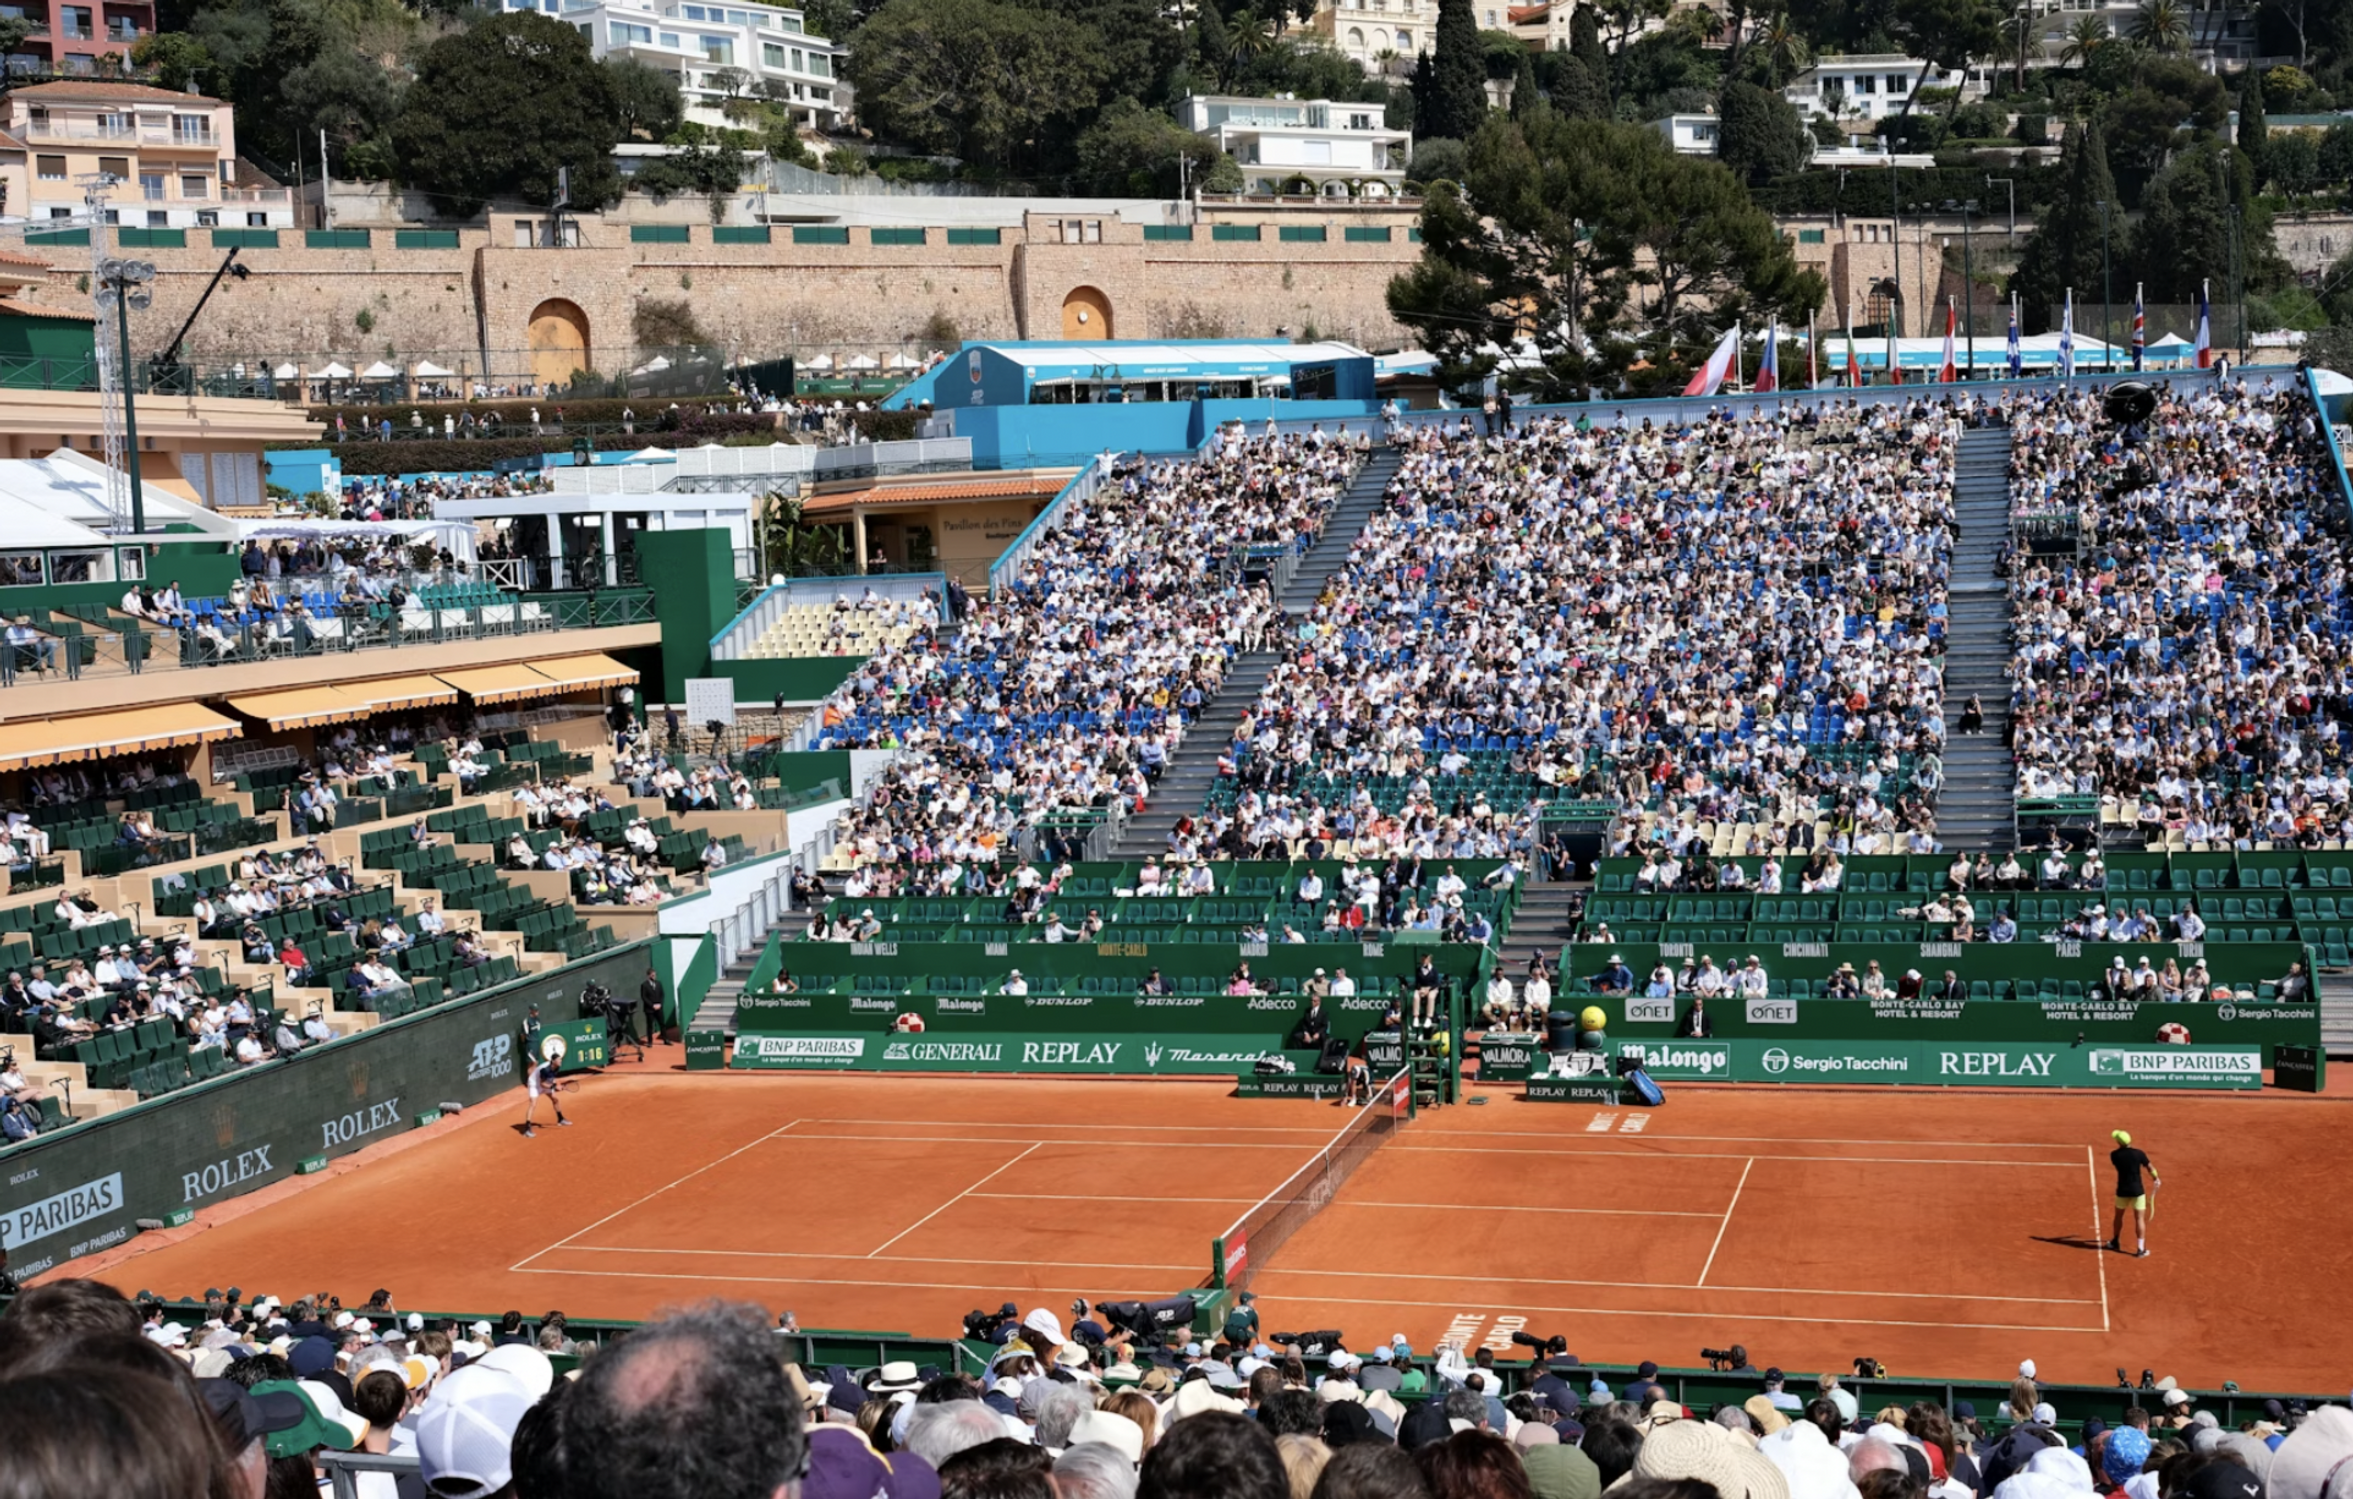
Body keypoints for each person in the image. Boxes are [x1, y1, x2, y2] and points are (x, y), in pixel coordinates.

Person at [2107, 1129, 2158, 1257]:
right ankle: (2140, 1249)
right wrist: (2156, 1178)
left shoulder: (2114, 1155)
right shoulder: (2139, 1154)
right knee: (2139, 1219)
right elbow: (2150, 1168)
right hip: (2137, 1191)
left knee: (2118, 1217)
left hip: (2122, 1191)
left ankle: (2115, 1241)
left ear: (2119, 1142)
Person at [522, 1049, 570, 1138]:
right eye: (559, 1060)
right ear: (553, 1061)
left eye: (561, 1060)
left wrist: (557, 1085)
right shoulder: (545, 1069)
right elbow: (542, 1084)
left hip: (544, 1083)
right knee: (533, 1104)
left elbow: (551, 1079)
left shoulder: (557, 1067)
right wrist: (554, 1087)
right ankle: (527, 1129)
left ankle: (560, 1119)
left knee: (555, 1099)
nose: (560, 1061)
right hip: (534, 1084)